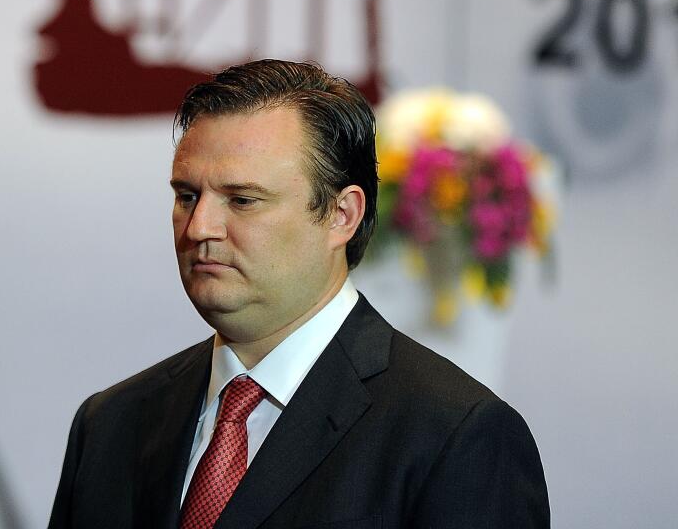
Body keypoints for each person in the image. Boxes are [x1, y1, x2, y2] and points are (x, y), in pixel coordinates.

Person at [48, 59, 550, 528]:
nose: (200, 226)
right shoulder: (109, 424)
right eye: (186, 196)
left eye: (242, 200)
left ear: (341, 216)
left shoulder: (456, 436)